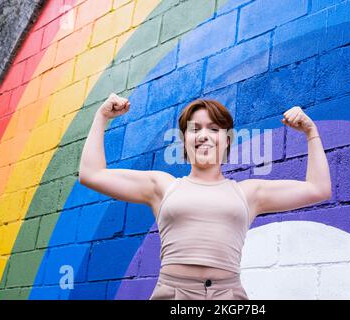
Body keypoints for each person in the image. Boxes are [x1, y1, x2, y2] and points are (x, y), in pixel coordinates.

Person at [78, 93, 332, 300]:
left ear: (227, 139)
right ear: (185, 140)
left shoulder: (249, 193)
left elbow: (318, 189)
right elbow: (91, 174)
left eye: (214, 128)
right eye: (194, 129)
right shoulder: (162, 186)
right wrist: (102, 116)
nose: (203, 135)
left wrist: (311, 133)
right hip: (172, 294)